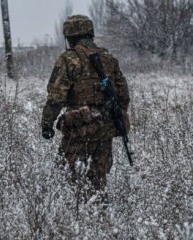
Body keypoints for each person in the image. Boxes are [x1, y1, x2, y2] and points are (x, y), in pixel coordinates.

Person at [41, 15, 130, 203]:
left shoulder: (69, 59)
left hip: (78, 129)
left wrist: (47, 123)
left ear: (70, 36)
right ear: (90, 33)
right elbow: (123, 95)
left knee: (70, 177)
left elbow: (56, 96)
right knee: (99, 179)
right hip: (105, 129)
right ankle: (99, 218)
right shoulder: (108, 58)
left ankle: (78, 220)